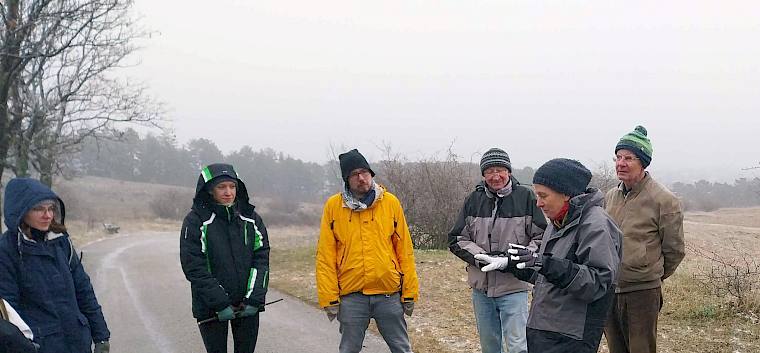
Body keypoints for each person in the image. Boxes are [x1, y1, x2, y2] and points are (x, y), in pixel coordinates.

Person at [474, 158, 622, 353]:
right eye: (537, 195)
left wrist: (544, 263)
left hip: (570, 338)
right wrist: (510, 264)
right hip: (543, 329)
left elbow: (597, 283)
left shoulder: (596, 225)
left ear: (566, 194)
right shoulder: (557, 221)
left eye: (543, 195)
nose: (538, 203)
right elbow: (545, 275)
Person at [316, 148, 419, 353]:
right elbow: (325, 256)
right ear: (347, 179)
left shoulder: (390, 203)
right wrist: (329, 297)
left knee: (401, 348)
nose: (361, 178)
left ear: (371, 173)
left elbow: (404, 250)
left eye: (365, 172)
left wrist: (409, 292)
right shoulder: (334, 207)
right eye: (355, 174)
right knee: (349, 349)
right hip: (352, 297)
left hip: (388, 294)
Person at [448, 148, 546, 353]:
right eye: (490, 171)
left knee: (519, 346)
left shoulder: (527, 198)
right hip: (481, 289)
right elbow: (457, 239)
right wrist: (481, 258)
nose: (496, 176)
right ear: (483, 174)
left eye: (500, 170)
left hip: (514, 286)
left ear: (509, 171)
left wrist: (511, 260)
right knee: (490, 346)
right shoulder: (473, 200)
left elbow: (542, 238)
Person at [0, 177, 111, 353]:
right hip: (40, 347)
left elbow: (84, 292)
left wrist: (101, 336)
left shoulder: (61, 243)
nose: (48, 215)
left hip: (78, 343)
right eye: (38, 209)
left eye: (51, 208)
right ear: (20, 211)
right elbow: (9, 314)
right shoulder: (7, 251)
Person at [603, 126, 685, 353]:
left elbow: (674, 250)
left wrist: (649, 274)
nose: (621, 163)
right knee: (616, 348)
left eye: (628, 158)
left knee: (641, 348)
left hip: (642, 292)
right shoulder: (610, 196)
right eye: (618, 157)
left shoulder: (664, 200)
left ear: (643, 163)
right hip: (611, 288)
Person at [180, 163, 270, 353]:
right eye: (222, 187)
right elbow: (194, 267)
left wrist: (254, 298)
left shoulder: (252, 219)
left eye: (232, 186)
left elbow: (261, 259)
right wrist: (220, 303)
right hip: (211, 308)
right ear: (210, 190)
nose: (228, 192)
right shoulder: (195, 221)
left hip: (248, 306)